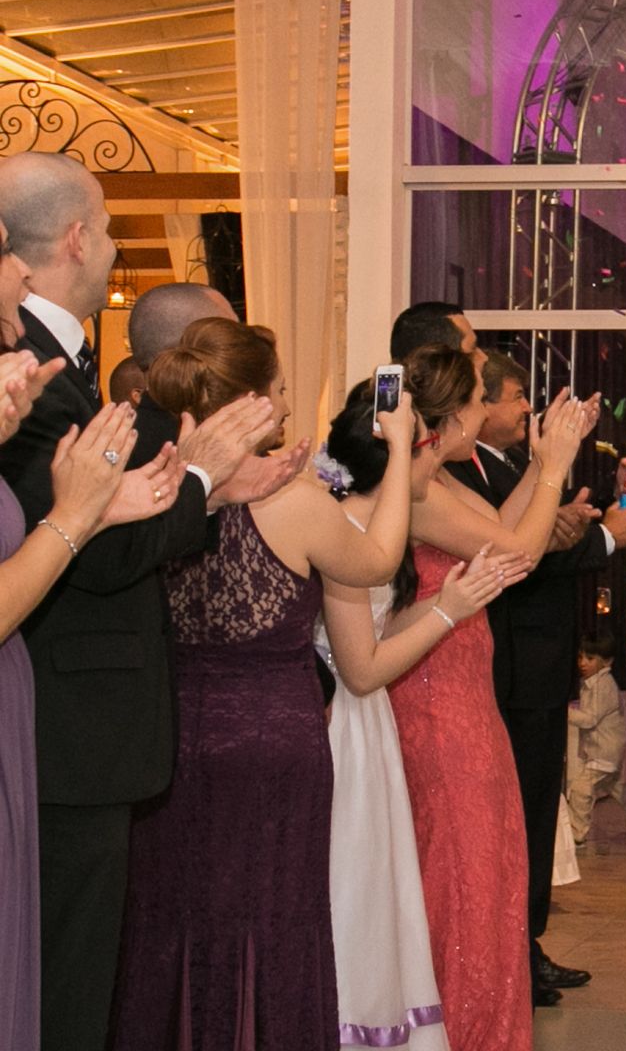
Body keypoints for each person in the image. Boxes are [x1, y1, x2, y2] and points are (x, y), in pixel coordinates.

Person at [0, 152, 288, 1051]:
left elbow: (105, 520)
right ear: (79, 238)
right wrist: (202, 472)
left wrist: (205, 488)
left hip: (74, 719)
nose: (117, 249)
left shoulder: (61, 362)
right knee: (59, 983)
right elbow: (94, 554)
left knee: (76, 977)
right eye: (113, 232)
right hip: (64, 722)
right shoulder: (28, 366)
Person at [109, 320, 417, 1048]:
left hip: (170, 736)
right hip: (275, 741)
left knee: (167, 918)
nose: (283, 406)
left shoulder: (151, 487)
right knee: (274, 920)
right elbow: (376, 561)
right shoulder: (294, 498)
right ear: (248, 401)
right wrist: (400, 449)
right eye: (278, 390)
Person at [0, 210, 180, 1049]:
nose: (16, 271)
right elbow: (77, 559)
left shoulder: (37, 376)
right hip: (51, 706)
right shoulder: (31, 364)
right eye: (2, 256)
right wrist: (82, 514)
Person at [387, 343, 594, 1045]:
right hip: (436, 696)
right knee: (462, 878)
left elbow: (502, 530)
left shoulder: (444, 482)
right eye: (480, 398)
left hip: (468, 693)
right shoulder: (414, 491)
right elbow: (519, 555)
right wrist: (556, 468)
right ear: (451, 413)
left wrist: (542, 463)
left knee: (489, 869)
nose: (487, 409)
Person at [316, 383, 531, 1051]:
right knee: (358, 896)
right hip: (344, 726)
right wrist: (449, 611)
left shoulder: (371, 517)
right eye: (423, 447)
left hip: (369, 725)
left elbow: (377, 631)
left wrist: (448, 603)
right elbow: (362, 667)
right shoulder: (346, 525)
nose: (436, 463)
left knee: (387, 894)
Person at [442, 349, 626, 1000]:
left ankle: (520, 946)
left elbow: (529, 537)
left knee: (527, 816)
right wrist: (602, 537)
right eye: (510, 396)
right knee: (511, 817)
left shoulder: (493, 466)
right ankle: (505, 953)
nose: (526, 408)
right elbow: (515, 554)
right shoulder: (456, 474)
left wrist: (572, 521)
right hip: (505, 667)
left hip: (528, 664)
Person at [566, 630, 626, 843]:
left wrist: (564, 713)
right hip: (604, 750)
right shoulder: (594, 683)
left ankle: (578, 836)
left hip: (604, 751)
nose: (582, 663)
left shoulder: (602, 685)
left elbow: (590, 719)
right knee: (616, 787)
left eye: (590, 658)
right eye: (580, 657)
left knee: (581, 791)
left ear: (607, 661)